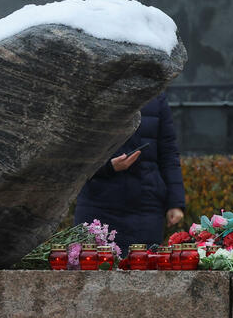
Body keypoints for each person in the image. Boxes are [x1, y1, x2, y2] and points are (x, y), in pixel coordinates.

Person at [73, 93, 186, 253]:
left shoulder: (156, 97)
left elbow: (168, 152)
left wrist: (175, 203)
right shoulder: (93, 92)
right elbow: (74, 153)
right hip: (98, 204)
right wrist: (108, 166)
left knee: (144, 265)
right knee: (93, 266)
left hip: (146, 207)